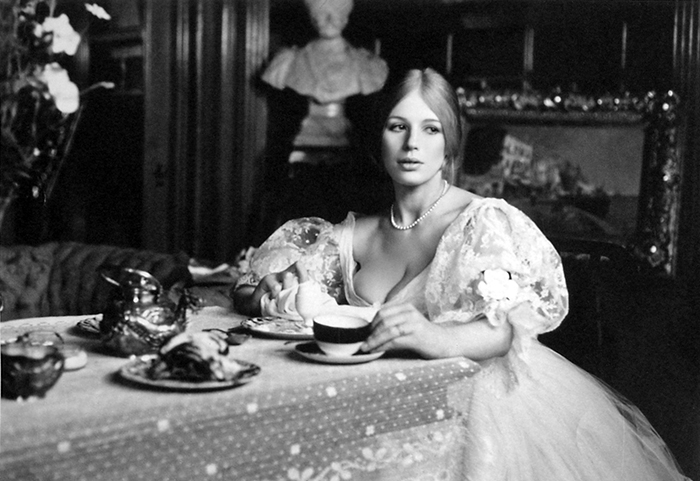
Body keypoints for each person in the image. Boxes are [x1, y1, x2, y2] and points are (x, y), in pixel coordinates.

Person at [233, 68, 690, 480]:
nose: (412, 144)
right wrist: (264, 294)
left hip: (484, 405)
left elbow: (507, 329)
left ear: (449, 143)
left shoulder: (481, 221)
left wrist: (434, 336)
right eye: (398, 126)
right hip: (385, 403)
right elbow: (261, 289)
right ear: (379, 139)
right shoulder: (353, 235)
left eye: (430, 129)